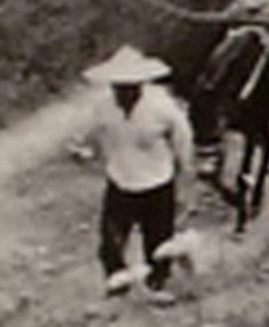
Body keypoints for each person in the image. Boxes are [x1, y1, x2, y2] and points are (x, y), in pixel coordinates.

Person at [83, 44, 194, 304]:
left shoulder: (161, 107)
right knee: (110, 241)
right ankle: (118, 286)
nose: (123, 92)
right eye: (118, 86)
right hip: (120, 180)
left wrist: (185, 171)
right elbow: (96, 136)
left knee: (157, 240)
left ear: (140, 85)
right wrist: (91, 154)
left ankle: (157, 285)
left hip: (157, 183)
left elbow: (182, 137)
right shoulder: (103, 108)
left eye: (129, 86)